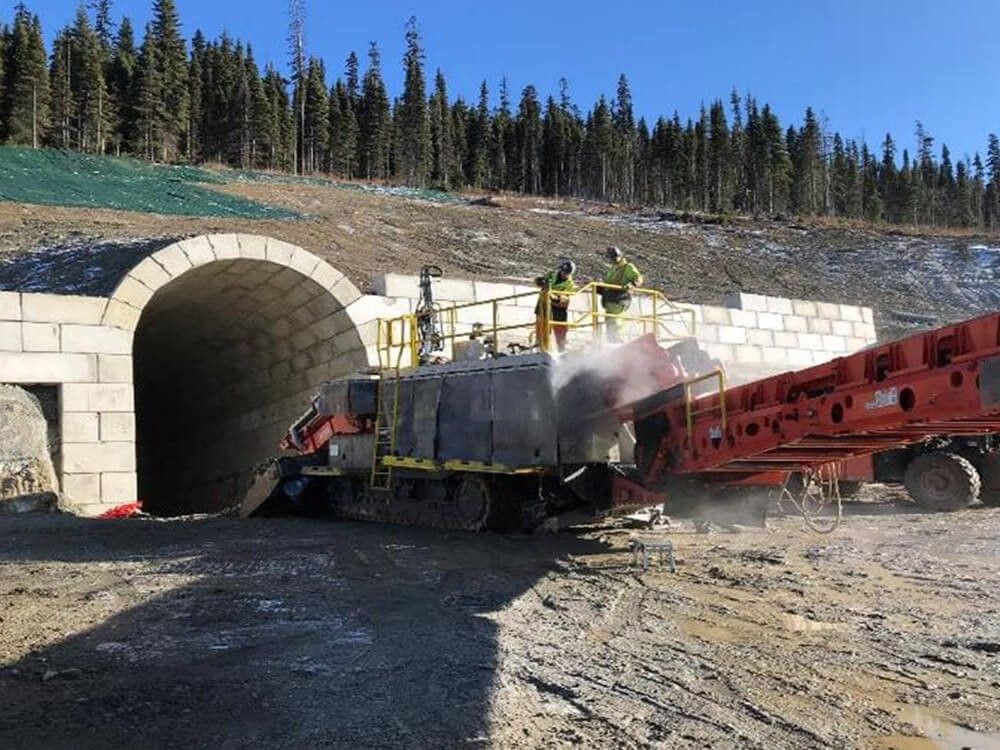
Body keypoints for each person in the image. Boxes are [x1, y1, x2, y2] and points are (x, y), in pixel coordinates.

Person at [600, 246, 643, 342]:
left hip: (620, 298)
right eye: (611, 258)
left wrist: (633, 284)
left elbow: (638, 278)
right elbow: (609, 283)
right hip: (609, 300)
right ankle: (611, 342)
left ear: (620, 256)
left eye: (614, 257)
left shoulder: (627, 267)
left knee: (615, 321)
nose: (613, 260)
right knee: (610, 321)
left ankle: (617, 341)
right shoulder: (612, 269)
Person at [534, 260, 576, 352]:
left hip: (558, 308)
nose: (564, 275)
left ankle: (562, 348)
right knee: (541, 324)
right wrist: (540, 282)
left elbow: (564, 299)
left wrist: (552, 296)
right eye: (563, 272)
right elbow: (540, 281)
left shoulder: (570, 284)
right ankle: (539, 345)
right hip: (543, 304)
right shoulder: (552, 274)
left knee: (560, 328)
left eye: (566, 273)